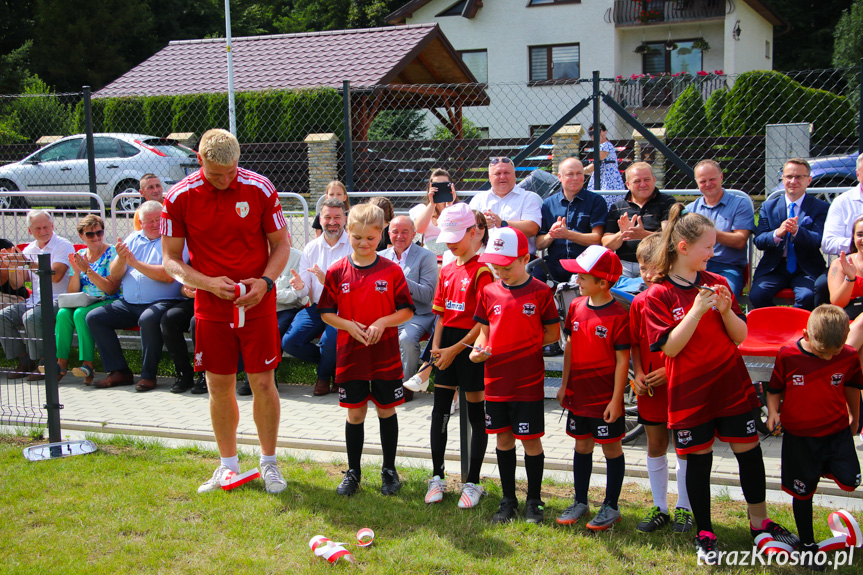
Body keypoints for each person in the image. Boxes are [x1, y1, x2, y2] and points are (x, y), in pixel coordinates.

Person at [644, 204, 799, 563]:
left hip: (730, 384)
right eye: (708, 247)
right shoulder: (658, 294)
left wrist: (727, 311)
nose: (713, 254)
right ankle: (705, 532)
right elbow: (670, 347)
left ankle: (759, 524)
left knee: (750, 453)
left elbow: (740, 337)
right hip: (690, 392)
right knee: (698, 462)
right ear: (683, 247)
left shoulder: (718, 282)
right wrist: (697, 311)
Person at [161, 128, 291, 495]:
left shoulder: (260, 188)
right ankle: (228, 467)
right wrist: (203, 282)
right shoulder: (178, 197)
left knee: (264, 383)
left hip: (258, 301)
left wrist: (264, 282)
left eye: (232, 171)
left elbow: (282, 244)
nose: (226, 179)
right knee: (218, 387)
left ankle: (269, 464)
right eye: (217, 174)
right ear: (199, 161)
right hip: (211, 306)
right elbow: (170, 259)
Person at [318, 203, 415, 496]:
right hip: (351, 353)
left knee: (386, 410)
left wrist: (383, 322)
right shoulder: (337, 272)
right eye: (357, 237)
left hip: (383, 352)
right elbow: (325, 312)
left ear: (381, 234)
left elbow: (407, 311)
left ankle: (389, 470)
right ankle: (353, 472)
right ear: (348, 232)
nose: (363, 243)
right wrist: (348, 326)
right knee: (355, 414)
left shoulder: (392, 270)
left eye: (370, 238)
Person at [471, 227, 559, 524]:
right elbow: (484, 333)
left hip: (527, 380)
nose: (501, 273)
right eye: (496, 267)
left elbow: (552, 333)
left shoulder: (540, 291)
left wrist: (522, 345)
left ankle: (534, 500)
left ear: (525, 258)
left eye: (507, 267)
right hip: (495, 381)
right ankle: (508, 498)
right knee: (503, 440)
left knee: (530, 440)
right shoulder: (489, 291)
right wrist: (478, 351)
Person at [765, 305, 862, 567]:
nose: (831, 357)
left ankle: (822, 469)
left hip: (837, 433)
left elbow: (852, 385)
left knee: (851, 481)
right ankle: (807, 544)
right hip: (800, 438)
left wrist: (855, 415)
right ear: (806, 334)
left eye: (836, 351)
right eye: (823, 352)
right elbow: (774, 389)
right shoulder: (788, 355)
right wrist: (773, 412)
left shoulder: (850, 355)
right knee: (803, 493)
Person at [555, 245, 630, 531]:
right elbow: (570, 346)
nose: (577, 282)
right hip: (579, 393)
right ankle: (580, 501)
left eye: (583, 277)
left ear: (602, 282)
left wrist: (616, 400)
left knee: (611, 448)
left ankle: (611, 506)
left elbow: (623, 360)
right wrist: (564, 385)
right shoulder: (575, 306)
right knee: (582, 444)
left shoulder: (618, 315)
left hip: (604, 397)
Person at [423, 203, 494, 508]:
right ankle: (437, 477)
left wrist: (455, 350)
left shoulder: (483, 270)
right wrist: (437, 348)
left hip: (470, 346)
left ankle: (474, 481)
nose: (450, 242)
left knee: (477, 415)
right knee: (439, 411)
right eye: (446, 235)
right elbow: (439, 314)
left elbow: (483, 321)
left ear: (473, 232)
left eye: (456, 235)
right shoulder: (447, 267)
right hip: (447, 344)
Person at [87, 201, 187, 391]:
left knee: (148, 319)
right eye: (149, 221)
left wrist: (135, 262)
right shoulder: (133, 238)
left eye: (159, 219)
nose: (156, 224)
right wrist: (121, 258)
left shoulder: (174, 239)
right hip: (129, 303)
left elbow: (168, 276)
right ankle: (119, 371)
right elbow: (115, 274)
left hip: (164, 302)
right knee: (95, 317)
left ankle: (148, 375)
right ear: (140, 223)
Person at [629, 234, 693, 534]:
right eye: (641, 267)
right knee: (655, 444)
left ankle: (685, 507)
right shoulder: (639, 302)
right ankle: (660, 507)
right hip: (650, 388)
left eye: (651, 266)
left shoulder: (683, 298)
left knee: (684, 446)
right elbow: (634, 343)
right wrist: (638, 374)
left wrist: (670, 371)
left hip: (681, 384)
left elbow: (691, 345)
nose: (646, 274)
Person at [283, 198, 351, 396]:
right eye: (327, 217)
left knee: (331, 340)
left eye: (337, 217)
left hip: (342, 307)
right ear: (320, 219)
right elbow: (304, 291)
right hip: (317, 306)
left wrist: (328, 281)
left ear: (345, 219)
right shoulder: (311, 247)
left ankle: (323, 377)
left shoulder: (352, 246)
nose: (332, 222)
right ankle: (333, 367)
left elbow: (355, 287)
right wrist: (299, 286)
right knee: (290, 342)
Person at [0, 210, 74, 379]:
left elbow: (55, 276)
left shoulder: (63, 245)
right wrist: (11, 264)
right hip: (34, 301)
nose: (42, 232)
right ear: (30, 231)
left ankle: (46, 363)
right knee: (3, 317)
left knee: (31, 317)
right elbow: (17, 284)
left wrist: (25, 262)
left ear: (52, 226)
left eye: (45, 227)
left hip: (58, 300)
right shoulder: (29, 249)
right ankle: (25, 361)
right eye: (37, 228)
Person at [750, 158, 828, 310]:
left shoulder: (820, 207)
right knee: (757, 295)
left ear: (809, 180)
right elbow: (759, 240)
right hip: (775, 266)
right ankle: (777, 328)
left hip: (806, 267)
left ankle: (798, 331)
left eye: (799, 177)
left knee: (807, 297)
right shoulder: (769, 206)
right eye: (789, 177)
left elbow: (818, 240)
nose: (793, 181)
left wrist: (798, 232)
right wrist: (777, 233)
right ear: (783, 179)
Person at [55, 215, 120, 384]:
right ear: (81, 236)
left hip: (108, 298)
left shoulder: (112, 253)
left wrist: (88, 270)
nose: (96, 237)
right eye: (90, 234)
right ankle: (61, 362)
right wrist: (76, 271)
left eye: (99, 232)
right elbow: (72, 291)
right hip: (86, 299)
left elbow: (111, 288)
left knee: (79, 314)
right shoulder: (80, 255)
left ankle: (88, 364)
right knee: (63, 313)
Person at [379, 215, 437, 403]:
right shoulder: (381, 257)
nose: (400, 236)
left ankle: (405, 385)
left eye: (405, 231)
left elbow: (427, 295)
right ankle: (377, 382)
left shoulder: (426, 257)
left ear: (414, 234)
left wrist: (400, 279)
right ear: (388, 234)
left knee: (406, 338)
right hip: (387, 314)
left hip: (417, 314)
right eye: (395, 231)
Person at [688, 160, 755, 298]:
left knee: (722, 299)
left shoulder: (740, 204)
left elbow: (740, 241)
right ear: (696, 182)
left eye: (712, 179)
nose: (708, 184)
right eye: (702, 181)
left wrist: (706, 233)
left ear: (721, 177)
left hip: (727, 267)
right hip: (695, 267)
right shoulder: (690, 209)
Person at [534, 157, 607, 284]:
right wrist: (551, 235)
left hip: (585, 263)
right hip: (555, 263)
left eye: (579, 173)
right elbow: (539, 244)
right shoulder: (548, 203)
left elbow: (597, 239)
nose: (575, 178)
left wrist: (568, 235)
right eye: (570, 174)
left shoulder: (596, 201)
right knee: (534, 278)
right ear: (560, 177)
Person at [602, 162, 676, 280]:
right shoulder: (618, 207)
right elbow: (606, 244)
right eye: (637, 181)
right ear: (628, 184)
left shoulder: (667, 202)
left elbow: (671, 237)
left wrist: (644, 235)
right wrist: (622, 233)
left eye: (647, 179)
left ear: (653, 180)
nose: (643, 184)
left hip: (656, 264)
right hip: (624, 266)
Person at [468, 157, 542, 255]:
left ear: (515, 176)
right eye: (498, 174)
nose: (502, 177)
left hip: (518, 259)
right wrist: (481, 224)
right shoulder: (479, 199)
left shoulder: (528, 198)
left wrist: (503, 223)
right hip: (484, 257)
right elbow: (466, 228)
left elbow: (532, 229)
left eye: (506, 173)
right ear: (490, 177)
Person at [409, 168, 457, 255]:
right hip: (429, 255)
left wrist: (449, 206)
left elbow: (456, 230)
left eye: (444, 185)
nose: (440, 188)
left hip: (451, 254)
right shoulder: (422, 209)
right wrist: (432, 204)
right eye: (436, 185)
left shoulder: (458, 209)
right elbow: (419, 229)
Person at [827, 215, 863, 319]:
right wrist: (850, 279)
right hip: (850, 319)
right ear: (853, 237)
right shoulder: (839, 264)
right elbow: (837, 303)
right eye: (860, 235)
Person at [583, 123, 626, 202]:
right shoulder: (605, 145)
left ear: (605, 132)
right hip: (606, 178)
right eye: (591, 133)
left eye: (597, 131)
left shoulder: (605, 146)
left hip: (607, 180)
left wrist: (580, 171)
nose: (594, 135)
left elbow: (595, 165)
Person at [0, 239, 29, 303]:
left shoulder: (19, 266)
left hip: (16, 297)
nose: (11, 259)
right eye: (5, 257)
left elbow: (15, 285)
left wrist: (12, 268)